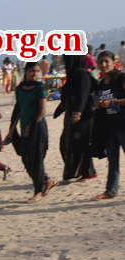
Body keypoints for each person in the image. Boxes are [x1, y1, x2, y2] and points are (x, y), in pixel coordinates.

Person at [6, 62, 56, 202]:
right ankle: (48, 180)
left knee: (37, 160)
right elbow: (18, 110)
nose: (35, 74)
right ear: (26, 72)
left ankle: (38, 192)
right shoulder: (20, 89)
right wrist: (11, 131)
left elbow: (42, 111)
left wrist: (30, 128)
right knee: (26, 160)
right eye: (32, 71)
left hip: (38, 129)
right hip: (24, 129)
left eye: (37, 71)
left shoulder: (40, 87)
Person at [58, 54, 97, 182]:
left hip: (82, 117)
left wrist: (78, 112)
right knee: (67, 143)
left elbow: (83, 95)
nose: (64, 62)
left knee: (81, 144)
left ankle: (86, 172)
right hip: (72, 117)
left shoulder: (82, 75)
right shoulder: (73, 75)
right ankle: (80, 172)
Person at [92, 51, 125, 200]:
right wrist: (99, 105)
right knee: (112, 160)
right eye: (100, 62)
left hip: (123, 125)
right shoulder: (101, 83)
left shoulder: (122, 78)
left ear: (113, 62)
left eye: (106, 61)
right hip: (110, 127)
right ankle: (111, 190)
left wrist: (112, 102)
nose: (103, 65)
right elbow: (102, 102)